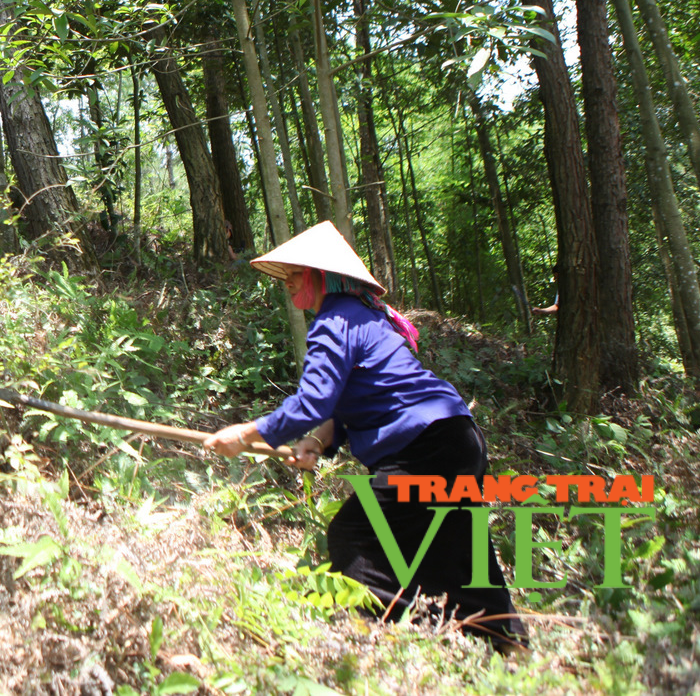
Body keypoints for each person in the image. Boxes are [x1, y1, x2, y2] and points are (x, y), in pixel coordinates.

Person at [203, 221, 528, 653]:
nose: (289, 284)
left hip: (425, 447)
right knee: (456, 546)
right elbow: (352, 398)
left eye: (296, 274)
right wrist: (318, 443)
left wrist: (246, 434)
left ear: (322, 276)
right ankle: (509, 644)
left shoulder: (334, 321)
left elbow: (314, 400)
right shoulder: (364, 316)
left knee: (356, 536)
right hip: (458, 439)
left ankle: (378, 640)